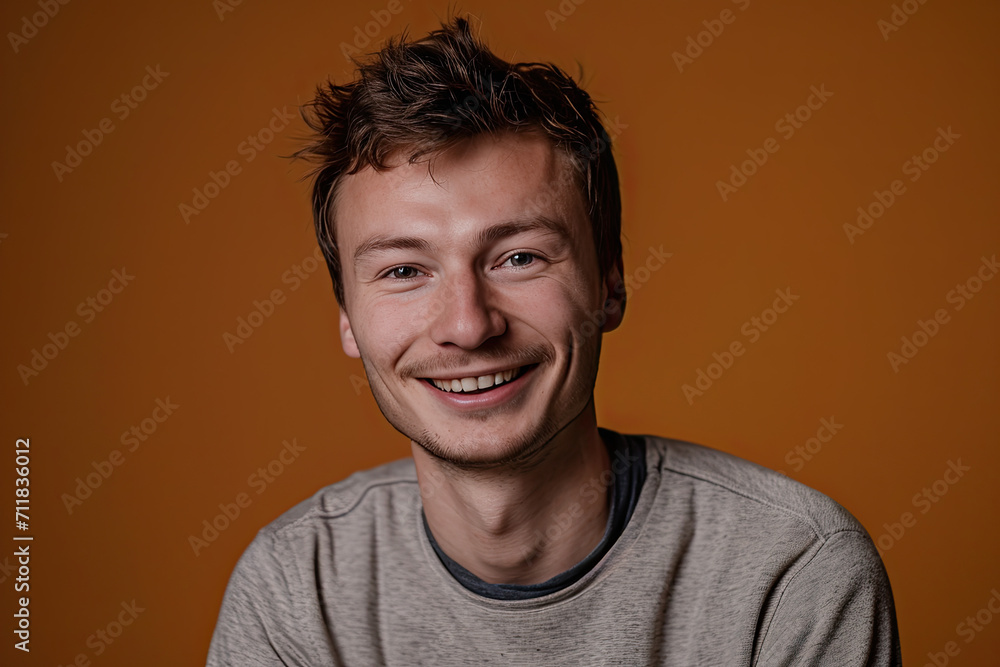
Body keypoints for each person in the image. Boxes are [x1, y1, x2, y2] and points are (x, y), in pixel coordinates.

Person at [207, 16, 901, 666]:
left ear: (608, 284)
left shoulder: (792, 573)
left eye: (519, 258)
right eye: (404, 271)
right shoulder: (296, 590)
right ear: (347, 317)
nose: (468, 326)